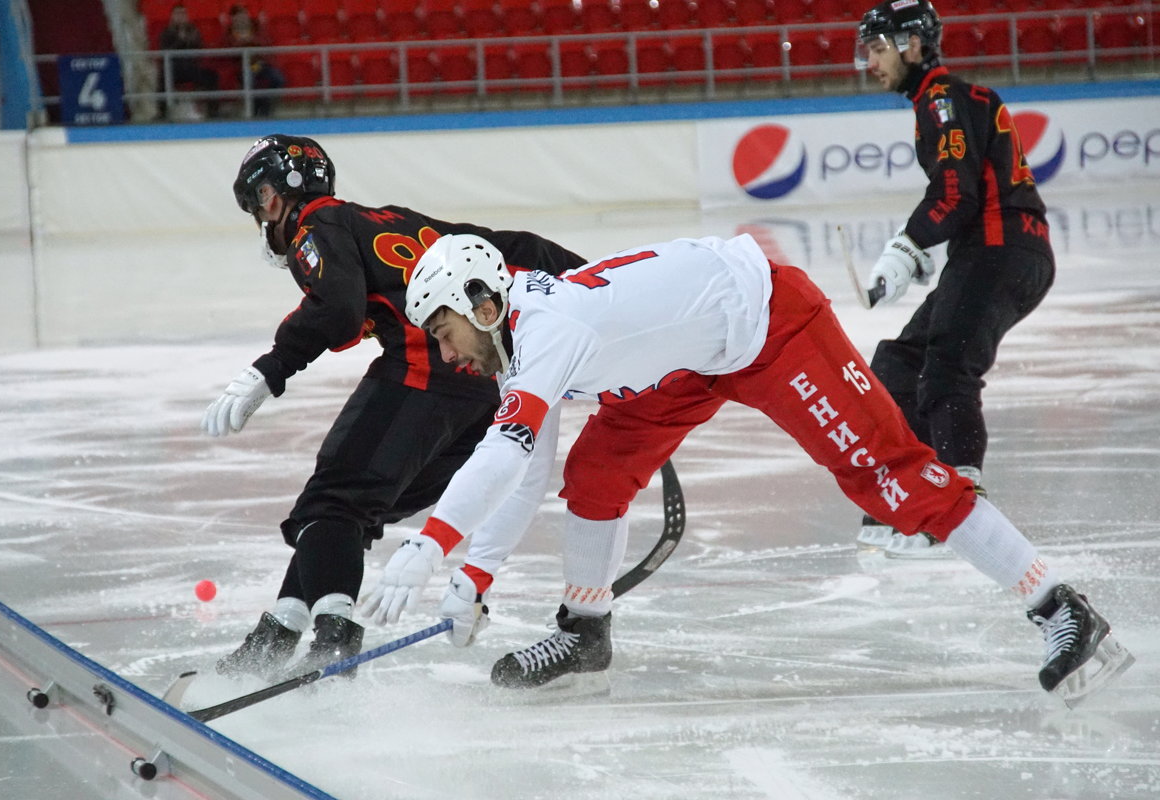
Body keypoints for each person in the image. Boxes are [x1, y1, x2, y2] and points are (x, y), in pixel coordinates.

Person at [360, 232, 1132, 709]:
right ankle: (585, 634)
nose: (447, 351)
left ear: (481, 301)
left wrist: (429, 548)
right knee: (595, 475)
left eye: (444, 330)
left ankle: (1058, 607)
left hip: (769, 327)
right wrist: (475, 576)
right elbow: (528, 470)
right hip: (684, 361)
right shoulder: (517, 337)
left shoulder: (547, 327)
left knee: (890, 479)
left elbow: (506, 453)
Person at [204, 134, 585, 680]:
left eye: (260, 198)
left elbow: (338, 310)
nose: (263, 215)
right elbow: (513, 245)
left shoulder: (319, 226)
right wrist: (603, 292)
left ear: (277, 195)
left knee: (332, 504)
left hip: (429, 367)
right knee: (351, 514)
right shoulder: (388, 220)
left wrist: (271, 368)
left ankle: (334, 645)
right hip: (485, 379)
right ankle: (281, 628)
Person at [852, 0, 1055, 558]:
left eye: (876, 48)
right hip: (992, 252)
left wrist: (907, 246)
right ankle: (905, 503)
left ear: (912, 44)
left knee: (945, 372)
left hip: (1000, 250)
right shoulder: (942, 100)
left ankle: (958, 513)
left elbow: (954, 191)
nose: (870, 62)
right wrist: (918, 250)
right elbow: (962, 194)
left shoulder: (942, 99)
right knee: (898, 363)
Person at [157, 3, 220, 120]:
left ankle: (214, 111)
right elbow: (165, 51)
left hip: (192, 67)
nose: (181, 17)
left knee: (211, 76)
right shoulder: (166, 32)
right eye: (178, 14)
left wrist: (189, 40)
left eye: (183, 14)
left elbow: (199, 48)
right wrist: (180, 41)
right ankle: (162, 113)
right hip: (174, 68)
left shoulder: (193, 31)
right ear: (172, 16)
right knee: (162, 77)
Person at [225, 4, 286, 117]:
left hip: (261, 64)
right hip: (241, 67)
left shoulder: (257, 28)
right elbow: (228, 50)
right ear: (233, 18)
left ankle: (266, 109)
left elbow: (264, 44)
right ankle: (254, 111)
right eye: (238, 16)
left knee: (278, 78)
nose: (242, 19)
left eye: (244, 15)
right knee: (250, 81)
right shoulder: (228, 33)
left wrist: (251, 41)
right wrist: (243, 43)